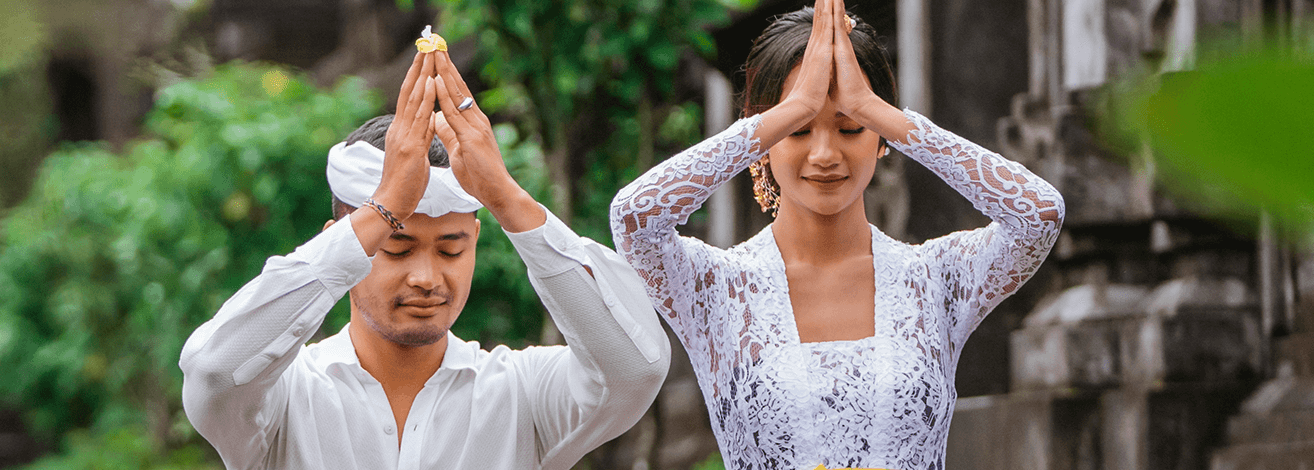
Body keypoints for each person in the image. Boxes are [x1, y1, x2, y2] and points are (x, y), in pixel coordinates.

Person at [606, 0, 1066, 467]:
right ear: (765, 138)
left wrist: (876, 110)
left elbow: (1039, 213)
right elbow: (634, 217)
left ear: (879, 136)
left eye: (850, 129)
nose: (825, 153)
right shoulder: (716, 287)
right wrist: (786, 111)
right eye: (799, 131)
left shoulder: (934, 277)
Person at [178, 42, 670, 470]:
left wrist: (507, 198)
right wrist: (384, 208)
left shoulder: (521, 396)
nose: (426, 278)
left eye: (451, 249)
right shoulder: (283, 400)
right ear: (343, 242)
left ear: (474, 242)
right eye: (395, 246)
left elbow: (636, 368)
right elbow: (213, 372)